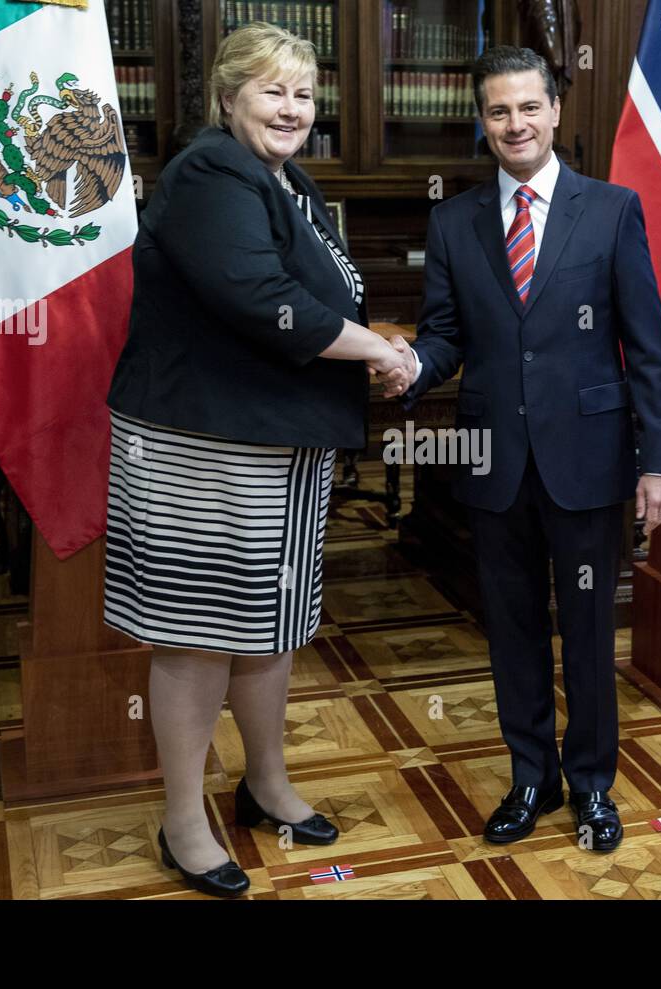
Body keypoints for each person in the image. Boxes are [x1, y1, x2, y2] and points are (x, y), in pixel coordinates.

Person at [103, 22, 408, 897]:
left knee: (272, 625)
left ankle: (265, 784)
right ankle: (182, 820)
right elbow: (262, 300)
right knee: (199, 636)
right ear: (228, 97)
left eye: (305, 94)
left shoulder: (289, 181)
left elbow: (329, 296)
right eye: (272, 90)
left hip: (281, 445)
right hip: (203, 447)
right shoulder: (210, 172)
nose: (291, 107)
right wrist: (379, 353)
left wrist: (367, 350)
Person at [384, 46, 661, 853]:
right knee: (511, 626)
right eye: (497, 111)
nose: (514, 124)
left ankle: (591, 784)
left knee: (586, 628)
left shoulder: (612, 210)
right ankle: (531, 777)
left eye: (527, 107)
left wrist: (660, 461)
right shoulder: (454, 221)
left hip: (588, 461)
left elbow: (648, 348)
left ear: (554, 111)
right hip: (494, 462)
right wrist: (410, 366)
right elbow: (447, 334)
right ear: (482, 123)